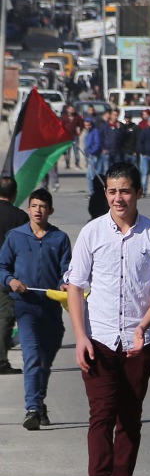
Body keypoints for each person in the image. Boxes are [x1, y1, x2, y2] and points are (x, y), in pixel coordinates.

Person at [67, 162, 150, 476]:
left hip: (137, 342)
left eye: (125, 191)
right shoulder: (92, 233)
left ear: (138, 193)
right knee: (101, 414)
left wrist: (143, 326)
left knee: (129, 417)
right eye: (112, 191)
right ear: (105, 194)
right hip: (97, 339)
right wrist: (80, 337)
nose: (118, 198)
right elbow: (75, 286)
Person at [1, 189, 71, 430]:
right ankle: (32, 407)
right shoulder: (15, 237)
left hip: (51, 308)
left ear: (50, 210)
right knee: (31, 356)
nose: (38, 210)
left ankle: (38, 403)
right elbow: (2, 267)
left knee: (44, 361)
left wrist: (65, 282)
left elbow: (68, 270)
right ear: (28, 209)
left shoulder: (59, 238)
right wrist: (10, 280)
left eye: (43, 206)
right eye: (34, 206)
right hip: (25, 306)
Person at [0, 177, 28, 376]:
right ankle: (1, 361)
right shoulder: (20, 217)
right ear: (15, 194)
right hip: (8, 276)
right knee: (6, 316)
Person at [60, 103, 85, 169]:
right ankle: (67, 164)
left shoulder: (77, 117)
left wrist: (80, 132)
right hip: (67, 137)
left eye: (73, 109)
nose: (72, 111)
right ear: (67, 110)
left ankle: (77, 163)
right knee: (67, 151)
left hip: (75, 136)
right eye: (71, 109)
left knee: (76, 150)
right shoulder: (64, 117)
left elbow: (82, 125)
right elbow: (61, 126)